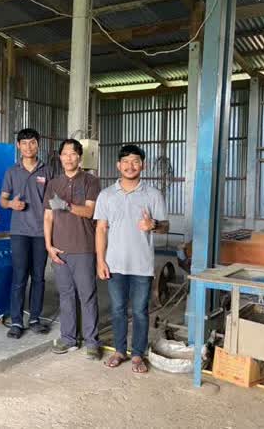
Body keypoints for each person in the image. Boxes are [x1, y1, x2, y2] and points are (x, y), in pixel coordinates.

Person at [95, 144, 169, 373]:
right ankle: (119, 350)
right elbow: (101, 229)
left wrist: (152, 224)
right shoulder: (106, 195)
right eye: (126, 161)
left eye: (135, 161)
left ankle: (137, 354)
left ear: (142, 165)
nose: (130, 166)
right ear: (118, 165)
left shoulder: (153, 194)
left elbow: (165, 226)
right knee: (117, 310)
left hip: (141, 265)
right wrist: (100, 260)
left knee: (139, 311)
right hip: (114, 264)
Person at [43, 139, 102, 360]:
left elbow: (89, 212)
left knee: (87, 295)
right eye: (65, 154)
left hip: (83, 248)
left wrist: (67, 205)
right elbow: (48, 217)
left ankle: (92, 342)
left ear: (80, 157)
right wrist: (48, 246)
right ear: (60, 157)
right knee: (66, 295)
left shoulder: (91, 181)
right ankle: (68, 339)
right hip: (60, 249)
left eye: (73, 154)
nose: (69, 158)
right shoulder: (53, 184)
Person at [0, 128, 53, 339]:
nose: (28, 147)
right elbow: (2, 199)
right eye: (24, 143)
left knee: (39, 277)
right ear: (18, 146)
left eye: (32, 142)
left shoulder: (47, 171)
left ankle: (34, 319)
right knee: (19, 276)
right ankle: (16, 321)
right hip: (20, 231)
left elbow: (53, 201)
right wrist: (10, 204)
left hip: (41, 231)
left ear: (38, 145)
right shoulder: (12, 171)